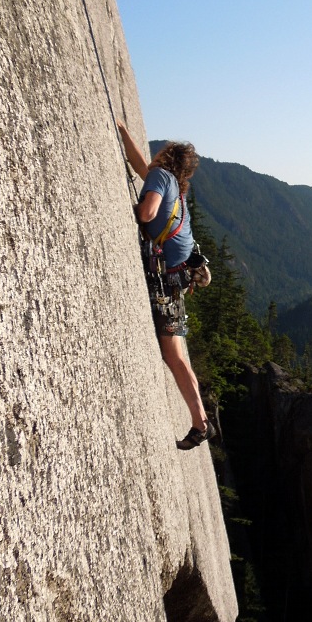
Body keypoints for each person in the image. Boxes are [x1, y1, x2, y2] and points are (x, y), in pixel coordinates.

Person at [117, 120, 212, 450]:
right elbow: (139, 165)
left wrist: (135, 212)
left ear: (167, 156)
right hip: (176, 277)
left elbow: (147, 213)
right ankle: (200, 421)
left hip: (166, 281)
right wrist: (122, 129)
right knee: (178, 355)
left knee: (174, 356)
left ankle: (200, 423)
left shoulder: (161, 178)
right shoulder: (174, 184)